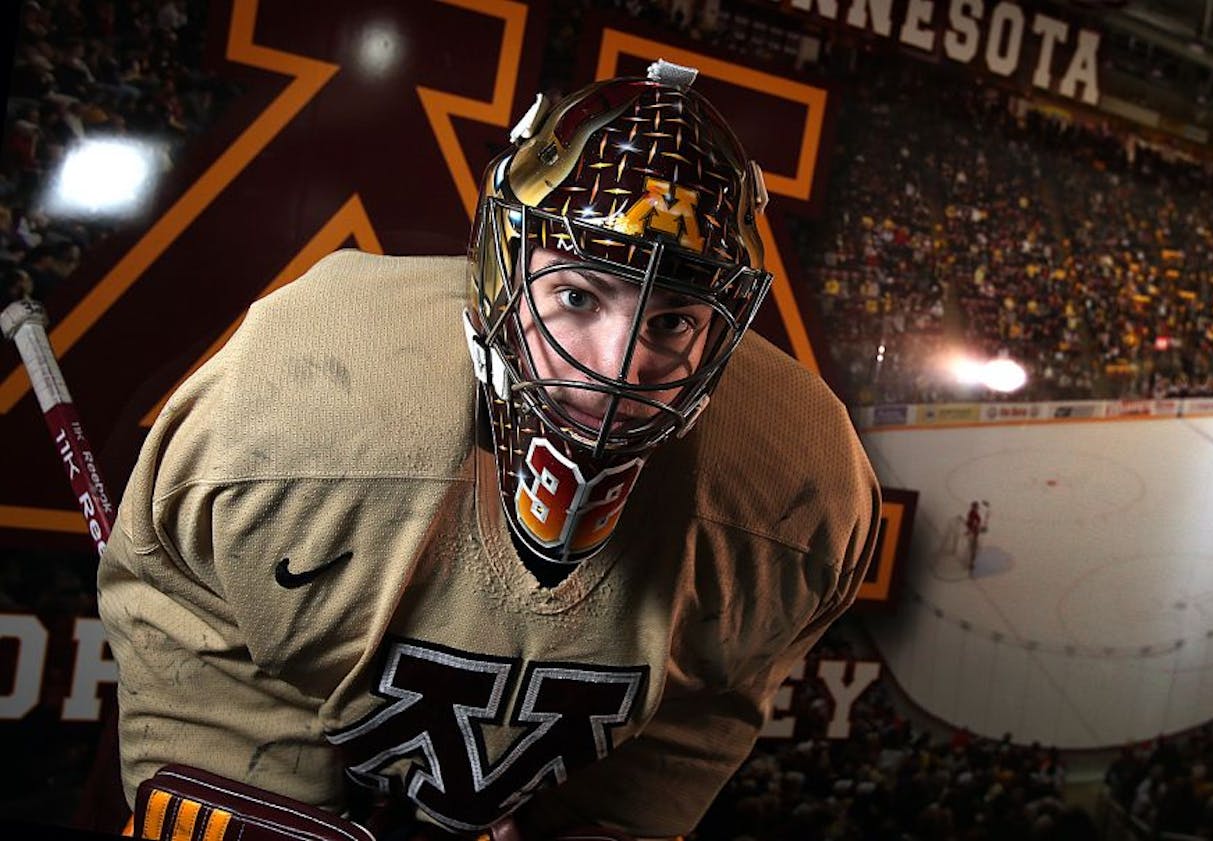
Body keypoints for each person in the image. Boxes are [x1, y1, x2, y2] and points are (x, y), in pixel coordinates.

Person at [97, 62, 880, 840]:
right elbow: (181, 590)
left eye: (673, 321)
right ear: (504, 266)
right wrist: (258, 783)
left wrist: (590, 818)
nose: (619, 367)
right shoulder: (303, 399)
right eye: (578, 295)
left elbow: (707, 705)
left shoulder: (797, 490)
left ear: (724, 329)